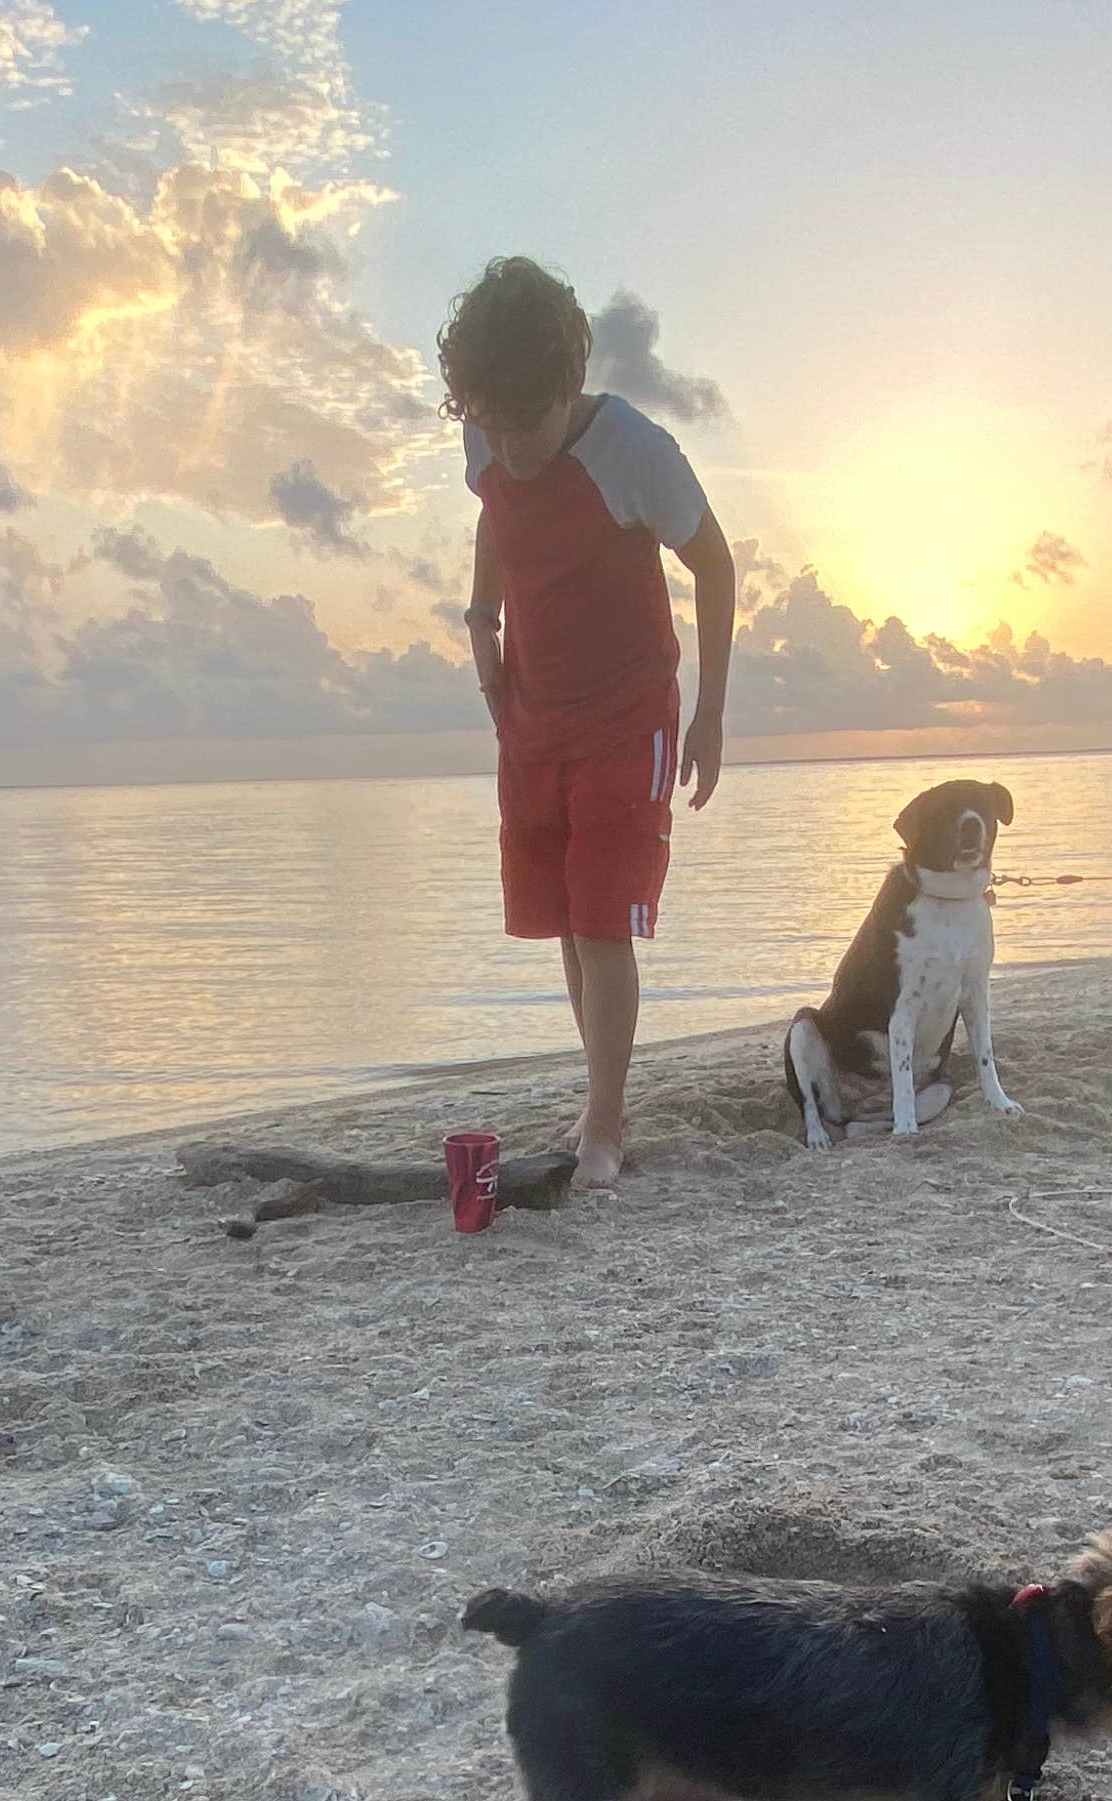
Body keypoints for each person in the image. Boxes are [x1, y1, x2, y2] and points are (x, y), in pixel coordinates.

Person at [439, 257, 735, 1191]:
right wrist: (481, 617)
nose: (512, 446)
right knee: (566, 917)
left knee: (603, 920)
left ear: (569, 384)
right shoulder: (488, 436)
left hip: (628, 715)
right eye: (491, 421)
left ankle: (604, 1125)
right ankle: (597, 1095)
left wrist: (713, 717)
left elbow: (717, 568)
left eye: (527, 423)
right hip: (531, 716)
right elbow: (496, 515)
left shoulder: (635, 452)